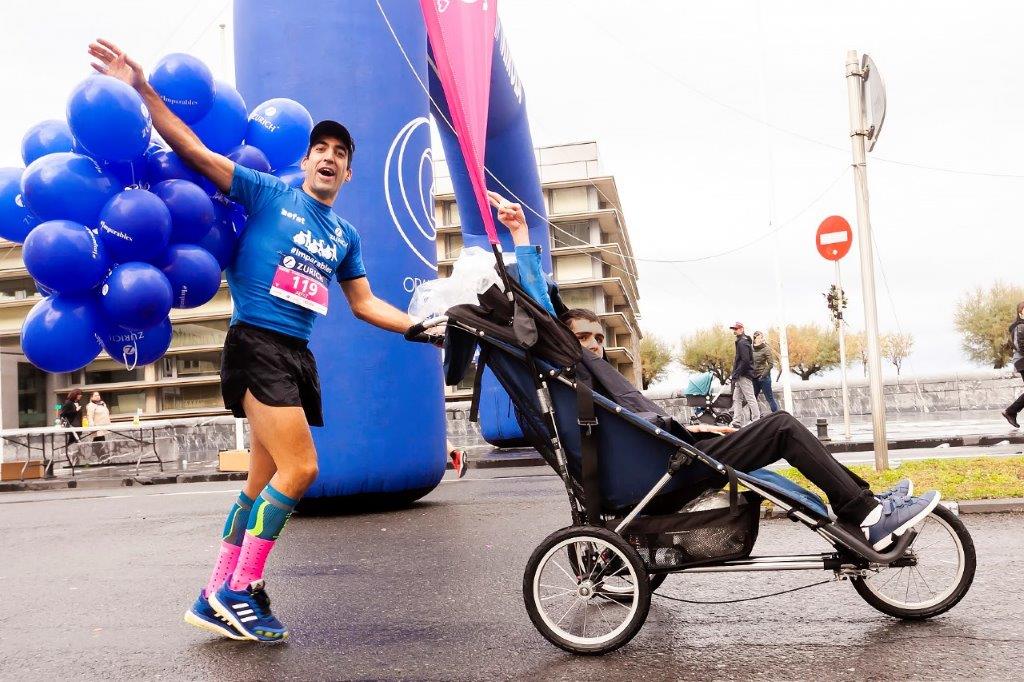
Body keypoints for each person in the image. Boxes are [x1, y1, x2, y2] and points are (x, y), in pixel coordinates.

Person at [88, 39, 435, 642]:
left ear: (348, 172)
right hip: (256, 344)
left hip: (298, 355)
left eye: (340, 153)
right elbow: (193, 149)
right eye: (320, 149)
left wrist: (425, 327)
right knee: (300, 470)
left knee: (259, 481)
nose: (328, 157)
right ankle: (239, 590)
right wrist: (142, 90)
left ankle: (212, 592)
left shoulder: (345, 235)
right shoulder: (270, 194)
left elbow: (365, 303)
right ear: (304, 162)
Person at [728, 322, 761, 427]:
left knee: (750, 397)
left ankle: (756, 420)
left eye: (736, 329)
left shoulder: (742, 342)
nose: (735, 331)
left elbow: (745, 361)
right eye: (734, 329)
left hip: (743, 375)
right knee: (736, 398)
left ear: (742, 329)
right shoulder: (743, 341)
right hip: (740, 375)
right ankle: (736, 421)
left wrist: (736, 373)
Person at [1002, 301, 1024, 428]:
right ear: (1021, 311)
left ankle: (1011, 412)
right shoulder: (1019, 326)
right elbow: (1021, 346)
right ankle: (1010, 411)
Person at [751, 331, 779, 413]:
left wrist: (763, 375)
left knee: (770, 398)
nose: (761, 339)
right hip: (754, 378)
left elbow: (771, 364)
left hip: (764, 378)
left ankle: (777, 416)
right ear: (755, 339)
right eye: (759, 338)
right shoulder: (750, 348)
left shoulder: (766, 349)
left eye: (762, 337)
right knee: (752, 399)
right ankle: (756, 418)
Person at [58, 388, 84, 465]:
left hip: (78, 425)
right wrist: (75, 410)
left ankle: (74, 461)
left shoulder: (77, 402)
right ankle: (71, 461)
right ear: (75, 395)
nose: (80, 396)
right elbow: (63, 415)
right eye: (79, 394)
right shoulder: (68, 403)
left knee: (75, 442)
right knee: (73, 442)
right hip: (72, 426)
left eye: (80, 394)